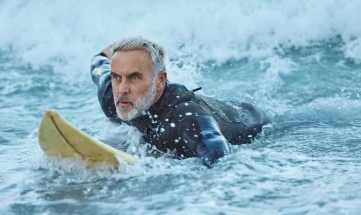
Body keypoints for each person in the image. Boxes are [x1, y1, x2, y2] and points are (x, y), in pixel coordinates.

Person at [91, 37, 271, 167]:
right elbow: (98, 65)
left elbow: (218, 153)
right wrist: (104, 52)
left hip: (248, 119)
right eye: (117, 77)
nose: (122, 88)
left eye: (134, 77)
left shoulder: (184, 117)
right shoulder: (114, 97)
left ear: (160, 80)